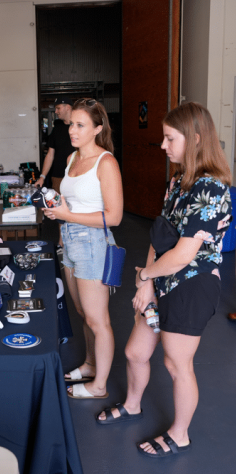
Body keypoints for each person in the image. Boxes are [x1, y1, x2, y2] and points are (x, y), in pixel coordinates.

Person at [97, 102, 232, 458]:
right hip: (161, 280)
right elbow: (161, 237)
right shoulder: (177, 182)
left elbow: (184, 255)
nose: (163, 145)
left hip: (191, 286)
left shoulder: (212, 189)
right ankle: (133, 405)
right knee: (135, 352)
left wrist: (146, 276)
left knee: (176, 364)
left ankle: (180, 433)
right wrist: (146, 282)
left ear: (196, 139)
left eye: (170, 138)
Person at [43, 98, 123, 400]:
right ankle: (90, 365)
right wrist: (58, 213)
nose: (72, 130)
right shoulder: (71, 159)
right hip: (69, 239)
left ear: (97, 129)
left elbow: (113, 217)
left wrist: (67, 216)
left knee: (97, 319)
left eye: (80, 125)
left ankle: (99, 385)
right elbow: (70, 203)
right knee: (81, 311)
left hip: (93, 243)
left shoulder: (106, 162)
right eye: (70, 124)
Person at [35, 96, 75, 193]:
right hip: (58, 177)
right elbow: (50, 154)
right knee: (57, 205)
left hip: (76, 176)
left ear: (68, 107)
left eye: (58, 108)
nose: (56, 111)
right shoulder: (57, 129)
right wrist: (42, 177)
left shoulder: (79, 127)